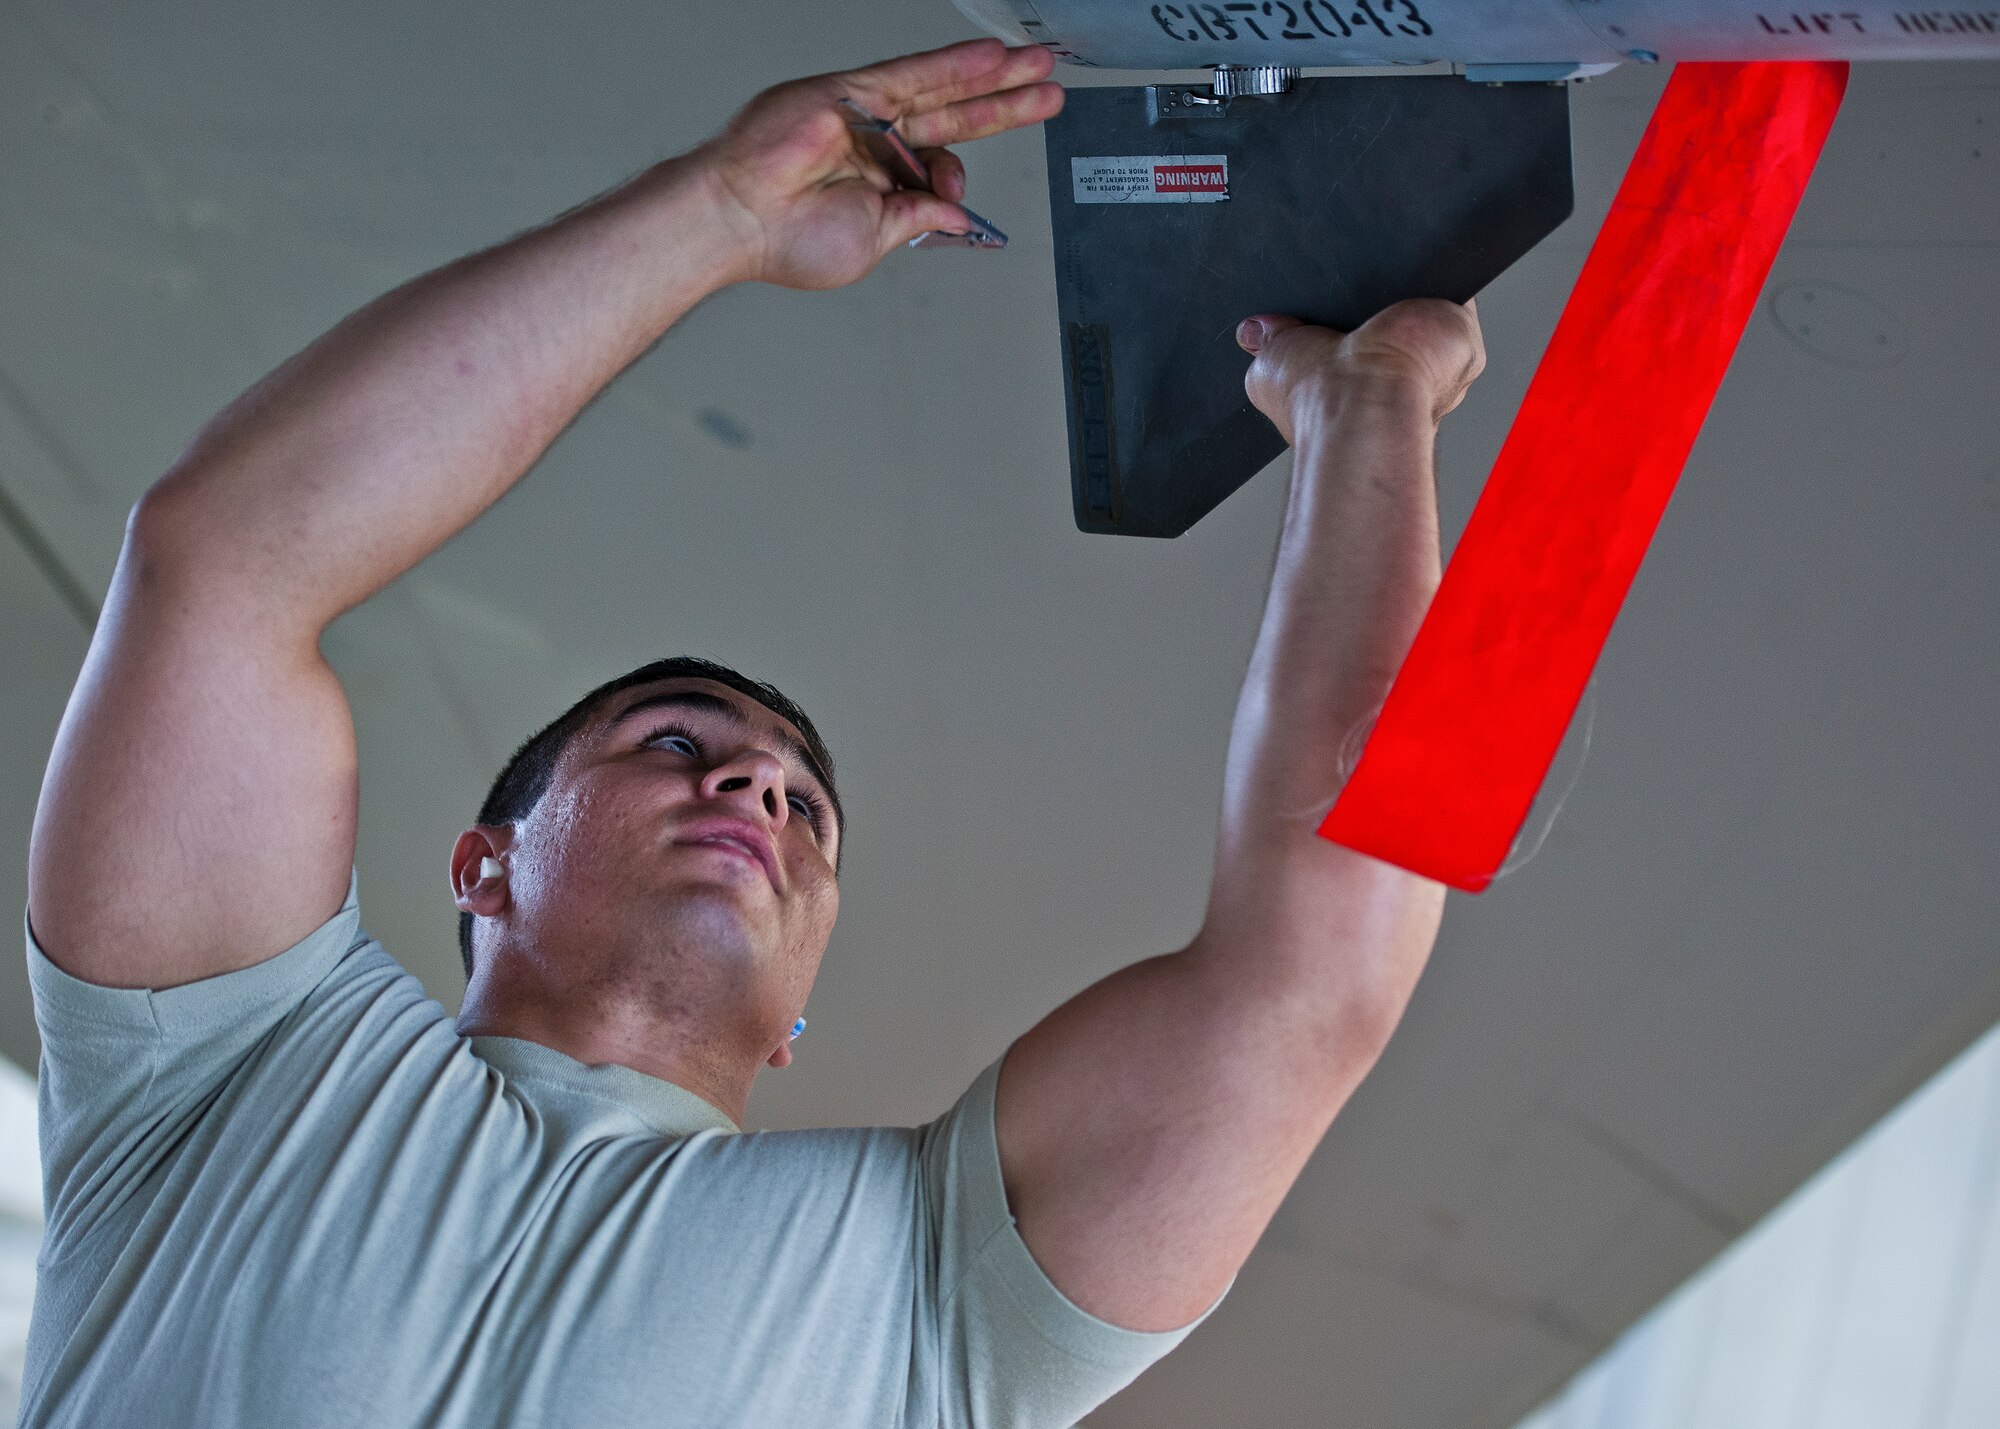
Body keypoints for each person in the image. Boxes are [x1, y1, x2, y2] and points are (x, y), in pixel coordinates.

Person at [19, 36, 1484, 1429]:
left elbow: (1321, 971)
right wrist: (722, 210)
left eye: (806, 810)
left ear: (800, 1021)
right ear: (483, 865)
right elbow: (218, 566)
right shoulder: (226, 1069)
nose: (757, 786)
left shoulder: (939, 1290)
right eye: (669, 741)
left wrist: (1368, 418)